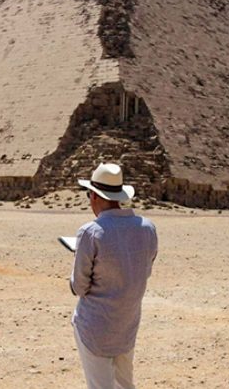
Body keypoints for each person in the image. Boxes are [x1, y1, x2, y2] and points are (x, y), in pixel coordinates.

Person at [70, 163, 158, 389]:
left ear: (95, 197)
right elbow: (144, 272)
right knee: (125, 384)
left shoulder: (91, 232)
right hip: (126, 324)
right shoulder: (147, 229)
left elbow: (79, 286)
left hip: (95, 327)